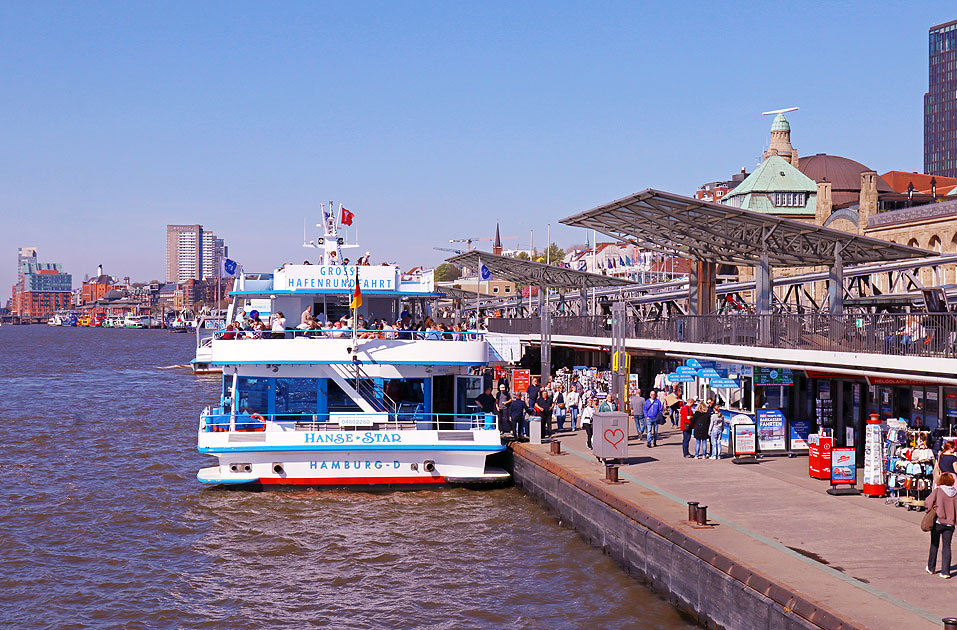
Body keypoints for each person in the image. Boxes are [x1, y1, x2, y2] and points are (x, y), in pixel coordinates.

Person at [927, 472, 957, 578]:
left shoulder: (938, 491)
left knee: (934, 544)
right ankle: (945, 572)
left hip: (938, 522)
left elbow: (928, 502)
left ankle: (931, 568)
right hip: (950, 523)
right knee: (947, 546)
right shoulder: (955, 493)